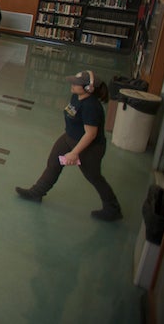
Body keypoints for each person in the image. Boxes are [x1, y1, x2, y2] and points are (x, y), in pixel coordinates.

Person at [15, 71, 122, 221]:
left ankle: (113, 209)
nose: (72, 85)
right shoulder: (76, 96)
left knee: (94, 177)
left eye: (76, 83)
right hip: (69, 138)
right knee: (53, 163)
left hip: (89, 148)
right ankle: (37, 192)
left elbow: (90, 134)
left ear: (88, 88)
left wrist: (74, 153)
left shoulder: (91, 106)